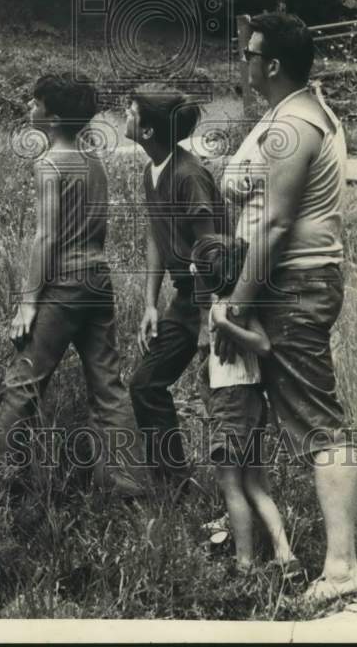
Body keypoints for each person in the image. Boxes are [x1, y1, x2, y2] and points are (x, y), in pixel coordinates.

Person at [219, 11, 357, 604]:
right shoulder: (292, 113)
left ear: (272, 64)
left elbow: (277, 223)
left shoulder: (299, 123)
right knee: (310, 418)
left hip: (296, 285)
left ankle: (342, 570)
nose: (245, 62)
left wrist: (235, 302)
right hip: (295, 283)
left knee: (319, 421)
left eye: (251, 54)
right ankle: (335, 561)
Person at [0, 73, 144, 495]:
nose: (30, 107)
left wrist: (28, 300)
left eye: (37, 102)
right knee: (108, 385)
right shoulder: (93, 162)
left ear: (54, 115)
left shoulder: (49, 164)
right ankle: (129, 482)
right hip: (98, 281)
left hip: (63, 284)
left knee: (24, 383)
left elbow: (45, 236)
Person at [125, 87, 226, 486]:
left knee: (220, 397)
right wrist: (151, 303)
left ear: (147, 130)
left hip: (213, 298)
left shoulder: (189, 175)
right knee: (145, 384)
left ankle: (238, 491)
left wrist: (205, 321)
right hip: (183, 300)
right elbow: (156, 235)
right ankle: (172, 481)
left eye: (131, 112)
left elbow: (209, 249)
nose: (125, 116)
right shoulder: (152, 171)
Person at [191, 234, 301, 578]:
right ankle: (285, 553)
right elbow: (262, 346)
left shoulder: (220, 309)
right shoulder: (240, 305)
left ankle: (244, 564)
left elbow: (262, 345)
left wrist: (222, 325)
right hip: (253, 400)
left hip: (231, 403)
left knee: (232, 486)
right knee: (254, 484)